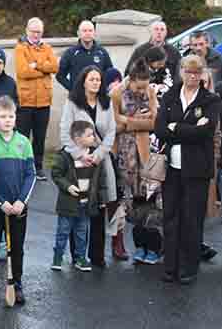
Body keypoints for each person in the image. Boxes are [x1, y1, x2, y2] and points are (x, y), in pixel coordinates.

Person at [155, 55, 219, 284]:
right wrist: (189, 128)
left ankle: (188, 268)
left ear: (202, 74)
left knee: (192, 219)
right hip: (171, 168)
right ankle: (170, 267)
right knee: (170, 217)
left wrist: (176, 127)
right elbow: (160, 129)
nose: (192, 76)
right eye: (188, 72)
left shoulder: (210, 100)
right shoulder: (170, 96)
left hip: (197, 169)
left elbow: (206, 132)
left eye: (197, 72)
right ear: (181, 71)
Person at [58, 66, 117, 267]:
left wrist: (99, 155)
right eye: (92, 79)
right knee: (78, 206)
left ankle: (97, 255)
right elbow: (65, 131)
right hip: (78, 161)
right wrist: (79, 154)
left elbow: (111, 132)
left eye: (98, 80)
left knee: (99, 205)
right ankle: (78, 255)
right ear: (83, 81)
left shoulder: (106, 102)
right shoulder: (73, 102)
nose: (95, 83)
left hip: (100, 160)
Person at [0, 96, 34, 305]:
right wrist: (0, 202)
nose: (7, 120)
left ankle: (16, 284)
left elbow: (30, 175)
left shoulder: (24, 142)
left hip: (18, 207)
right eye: (2, 116)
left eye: (11, 116)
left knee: (17, 247)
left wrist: (21, 201)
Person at [110, 63, 160, 264]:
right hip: (123, 154)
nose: (142, 91)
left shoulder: (150, 92)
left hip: (145, 153)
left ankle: (153, 248)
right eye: (138, 87)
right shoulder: (116, 94)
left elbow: (154, 122)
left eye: (144, 87)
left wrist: (128, 121)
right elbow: (113, 124)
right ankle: (136, 246)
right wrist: (138, 120)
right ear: (130, 80)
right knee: (129, 202)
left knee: (149, 200)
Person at [51, 120, 102, 273]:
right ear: (77, 138)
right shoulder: (65, 155)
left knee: (82, 233)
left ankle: (80, 258)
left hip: (85, 203)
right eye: (89, 135)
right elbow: (56, 174)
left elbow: (98, 178)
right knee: (63, 232)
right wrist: (67, 186)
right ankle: (58, 257)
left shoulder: (94, 155)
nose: (93, 138)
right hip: (68, 203)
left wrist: (99, 198)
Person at [14, 18, 59, 174]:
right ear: (27, 30)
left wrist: (36, 65)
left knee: (40, 137)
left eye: (39, 32)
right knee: (23, 137)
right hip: (25, 101)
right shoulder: (20, 48)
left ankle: (38, 167)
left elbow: (55, 67)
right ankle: (22, 167)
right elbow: (23, 72)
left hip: (44, 101)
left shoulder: (47, 48)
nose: (35, 35)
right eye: (33, 31)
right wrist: (44, 70)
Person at [58, 20, 119, 91]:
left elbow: (110, 73)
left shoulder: (102, 52)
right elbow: (60, 76)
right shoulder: (70, 53)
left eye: (90, 31)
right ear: (78, 33)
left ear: (94, 33)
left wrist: (104, 89)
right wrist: (73, 89)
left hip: (98, 95)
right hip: (77, 96)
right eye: (84, 31)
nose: (88, 33)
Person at [127, 19, 181, 86]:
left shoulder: (174, 52)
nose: (159, 32)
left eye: (162, 30)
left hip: (169, 87)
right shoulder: (140, 51)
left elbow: (179, 74)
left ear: (166, 33)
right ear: (151, 32)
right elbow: (129, 72)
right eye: (156, 29)